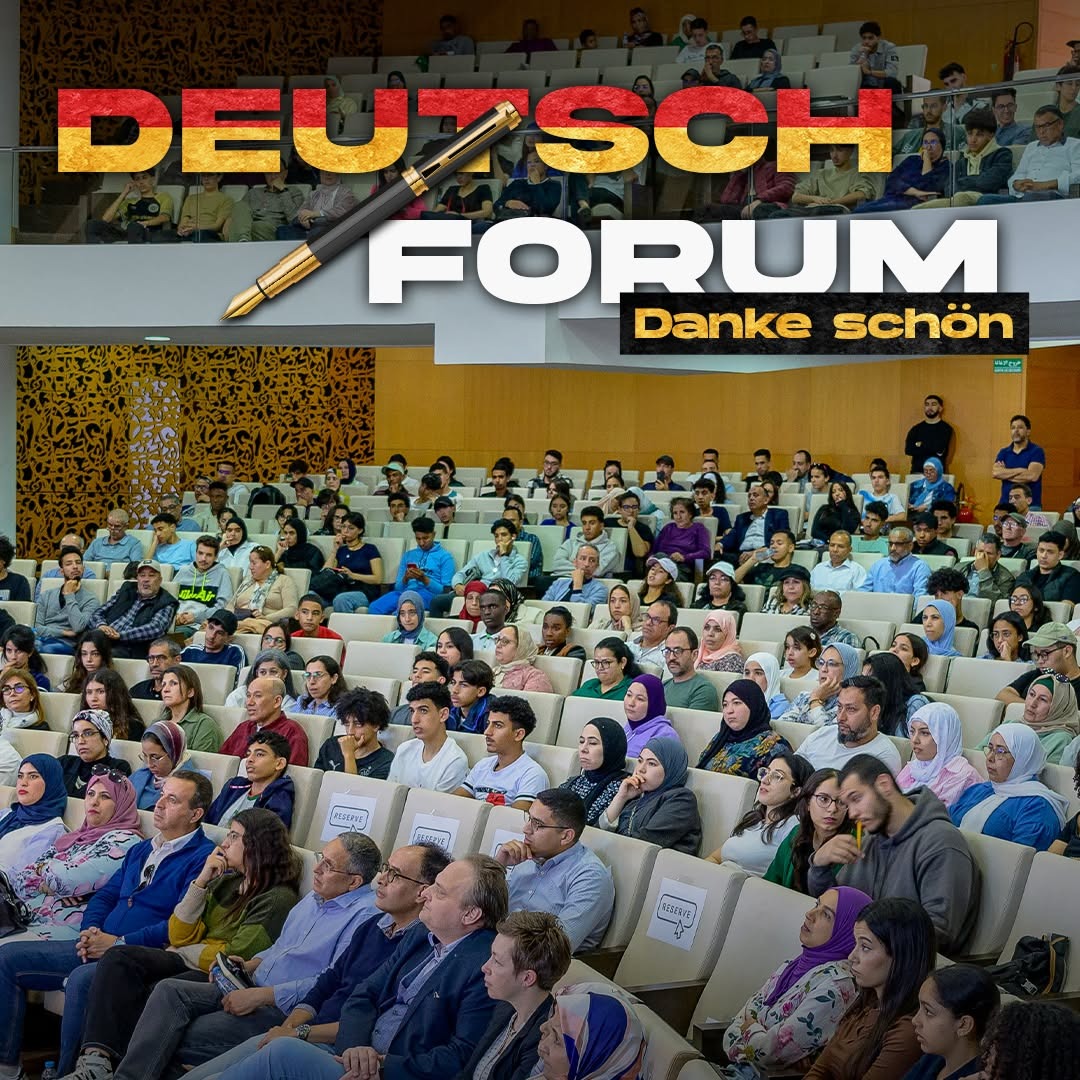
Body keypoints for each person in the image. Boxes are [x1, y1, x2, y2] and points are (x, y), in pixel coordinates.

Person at [105, 833, 382, 1080]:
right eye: (321, 858)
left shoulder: (365, 917)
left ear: (354, 882)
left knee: (173, 1033)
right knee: (168, 992)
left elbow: (328, 982)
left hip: (282, 1008)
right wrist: (249, 964)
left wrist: (261, 996)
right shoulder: (315, 897)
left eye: (328, 865)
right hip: (250, 984)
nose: (317, 868)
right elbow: (280, 948)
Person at [210, 854, 508, 1080]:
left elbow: (460, 1055)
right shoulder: (421, 934)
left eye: (440, 891)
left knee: (281, 1052)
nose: (426, 894)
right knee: (261, 1044)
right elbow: (364, 994)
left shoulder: (485, 963)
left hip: (388, 1071)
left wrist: (378, 1064)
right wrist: (355, 1047)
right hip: (353, 1052)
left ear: (470, 914)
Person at [0, 771, 216, 1076]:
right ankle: (7, 1069)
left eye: (172, 800)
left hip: (138, 957)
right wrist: (90, 930)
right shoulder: (142, 849)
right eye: (161, 795)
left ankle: (67, 1072)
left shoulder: (202, 858)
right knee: (6, 958)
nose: (159, 804)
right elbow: (107, 895)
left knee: (82, 979)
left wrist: (117, 943)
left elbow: (178, 924)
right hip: (98, 942)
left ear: (195, 814)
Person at [61, 808, 300, 1080]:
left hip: (214, 975)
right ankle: (95, 1065)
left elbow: (234, 957)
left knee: (151, 991)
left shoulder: (277, 898)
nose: (224, 843)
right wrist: (202, 880)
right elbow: (178, 933)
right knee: (118, 959)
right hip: (188, 957)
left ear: (257, 845)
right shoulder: (228, 881)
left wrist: (185, 950)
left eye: (234, 836)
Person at [809, 755, 979, 953]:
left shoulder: (942, 842)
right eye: (848, 804)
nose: (852, 813)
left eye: (856, 799)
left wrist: (867, 944)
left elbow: (939, 933)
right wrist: (819, 865)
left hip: (902, 964)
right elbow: (837, 908)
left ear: (884, 785)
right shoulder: (871, 839)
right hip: (857, 954)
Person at [722, 886, 872, 1073]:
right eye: (816, 904)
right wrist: (753, 1038)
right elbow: (737, 1024)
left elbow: (769, 1055)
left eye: (826, 915)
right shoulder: (793, 965)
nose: (810, 914)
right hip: (735, 1069)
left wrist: (749, 1030)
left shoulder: (836, 986)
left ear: (848, 932)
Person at [801, 898, 935, 1080]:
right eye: (855, 943)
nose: (851, 956)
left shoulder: (908, 1032)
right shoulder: (866, 1002)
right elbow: (819, 1070)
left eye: (865, 947)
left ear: (901, 957)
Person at [9, 771, 142, 937]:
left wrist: (45, 875)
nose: (94, 801)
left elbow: (65, 880)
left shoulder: (125, 840)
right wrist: (52, 882)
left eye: (105, 796)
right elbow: (20, 882)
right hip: (26, 917)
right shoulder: (75, 837)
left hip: (65, 930)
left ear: (122, 804)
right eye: (90, 794)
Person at [496, 789, 615, 952]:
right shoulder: (526, 855)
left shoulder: (590, 877)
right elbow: (484, 910)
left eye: (537, 824)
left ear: (566, 836)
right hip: (495, 941)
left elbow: (556, 947)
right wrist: (499, 866)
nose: (526, 829)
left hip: (526, 957)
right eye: (529, 818)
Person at [950, 723, 1066, 852]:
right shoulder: (982, 789)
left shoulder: (1037, 808)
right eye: (990, 748)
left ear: (1022, 758)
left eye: (1000, 751)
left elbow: (1020, 859)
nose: (990, 758)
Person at [706, 750, 811, 874]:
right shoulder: (754, 819)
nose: (765, 780)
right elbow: (715, 857)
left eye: (777, 776)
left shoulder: (793, 826)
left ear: (796, 791)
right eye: (766, 772)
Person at [599, 737, 702, 854]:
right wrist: (621, 797)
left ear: (670, 768)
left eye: (652, 763)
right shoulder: (637, 797)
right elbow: (599, 834)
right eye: (640, 761)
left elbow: (643, 844)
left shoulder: (681, 800)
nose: (640, 769)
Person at [905, 965, 1002, 1080]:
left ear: (964, 1025)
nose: (915, 1020)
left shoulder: (977, 1077)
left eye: (928, 1012)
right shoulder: (933, 1056)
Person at [453, 695, 549, 809]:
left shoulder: (532, 774)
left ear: (518, 734)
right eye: (488, 724)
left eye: (498, 725)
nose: (487, 732)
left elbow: (514, 818)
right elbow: (452, 802)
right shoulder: (482, 765)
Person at [796, 677, 906, 775]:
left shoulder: (883, 757)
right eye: (839, 707)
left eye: (851, 709)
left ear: (874, 712)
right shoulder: (822, 734)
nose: (840, 717)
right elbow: (792, 770)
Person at [764, 769, 851, 893]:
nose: (832, 809)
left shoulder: (854, 843)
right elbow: (770, 882)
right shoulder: (796, 833)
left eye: (841, 802)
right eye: (824, 799)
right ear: (808, 802)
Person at [896, 703, 983, 812]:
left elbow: (937, 815)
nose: (914, 740)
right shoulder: (914, 767)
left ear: (945, 736)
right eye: (912, 732)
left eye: (925, 733)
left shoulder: (962, 776)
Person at [698, 679, 792, 779]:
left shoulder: (774, 745)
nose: (729, 710)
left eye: (736, 703)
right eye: (725, 705)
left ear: (754, 705)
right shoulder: (721, 737)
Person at [87, 561, 179, 660]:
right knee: (83, 648)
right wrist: (101, 625)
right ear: (137, 578)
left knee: (99, 655)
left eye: (151, 576)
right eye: (142, 575)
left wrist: (120, 635)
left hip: (131, 647)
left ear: (160, 580)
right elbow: (98, 613)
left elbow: (156, 628)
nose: (146, 580)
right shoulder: (126, 589)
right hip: (103, 638)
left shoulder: (167, 601)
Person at [388, 681, 468, 791]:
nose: (414, 720)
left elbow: (437, 802)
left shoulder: (454, 761)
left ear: (443, 715)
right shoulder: (404, 749)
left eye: (423, 711)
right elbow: (390, 793)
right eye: (412, 711)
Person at [206, 730, 295, 828]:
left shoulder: (279, 800)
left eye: (259, 754)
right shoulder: (233, 786)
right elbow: (207, 823)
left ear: (279, 764)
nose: (249, 759)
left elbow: (265, 836)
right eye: (248, 754)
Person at [0, 754, 67, 871]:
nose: (23, 783)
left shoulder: (52, 831)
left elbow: (21, 876)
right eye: (20, 776)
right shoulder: (7, 814)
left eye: (33, 776)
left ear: (51, 782)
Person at [560, 718, 630, 828]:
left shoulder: (622, 789)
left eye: (592, 743)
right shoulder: (574, 782)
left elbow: (597, 831)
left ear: (611, 748)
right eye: (581, 741)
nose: (583, 749)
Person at [34, 545, 103, 654]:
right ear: (61, 571)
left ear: (83, 568)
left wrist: (69, 595)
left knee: (44, 649)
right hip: (41, 639)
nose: (75, 566)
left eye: (78, 563)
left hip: (66, 644)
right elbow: (38, 627)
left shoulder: (91, 599)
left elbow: (78, 627)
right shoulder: (46, 595)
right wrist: (64, 632)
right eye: (69, 564)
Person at [779, 643, 864, 728]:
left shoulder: (850, 707)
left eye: (831, 664)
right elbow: (780, 727)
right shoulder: (805, 697)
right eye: (821, 662)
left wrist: (815, 700)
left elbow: (826, 734)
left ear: (848, 669)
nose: (823, 669)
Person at [59, 710, 132, 797]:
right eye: (76, 735)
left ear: (105, 739)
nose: (80, 741)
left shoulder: (118, 768)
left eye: (88, 733)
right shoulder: (65, 763)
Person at [157, 664, 222, 752]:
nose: (165, 689)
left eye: (173, 683)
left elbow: (202, 760)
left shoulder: (204, 725)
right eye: (163, 684)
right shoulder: (158, 722)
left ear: (190, 692)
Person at [129, 721, 190, 810]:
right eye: (145, 756)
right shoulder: (138, 776)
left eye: (155, 757)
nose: (149, 765)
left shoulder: (190, 785)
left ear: (174, 754)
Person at [859, 528, 932, 596]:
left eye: (898, 544)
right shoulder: (878, 565)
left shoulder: (920, 567)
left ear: (910, 545)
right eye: (890, 544)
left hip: (905, 606)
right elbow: (863, 593)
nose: (892, 548)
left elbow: (920, 597)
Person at [622, 673, 678, 756]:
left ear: (653, 704)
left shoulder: (665, 735)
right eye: (629, 695)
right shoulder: (629, 727)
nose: (631, 703)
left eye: (640, 699)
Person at [81, 668, 143, 741]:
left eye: (101, 691)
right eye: (89, 692)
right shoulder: (81, 722)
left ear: (115, 694)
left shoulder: (132, 726)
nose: (93, 698)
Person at [488, 625, 553, 695]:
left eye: (505, 641)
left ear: (521, 647)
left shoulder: (535, 677)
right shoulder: (493, 672)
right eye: (497, 640)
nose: (498, 645)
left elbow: (530, 701)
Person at [1018, 531, 1080, 604]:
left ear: (1060, 555)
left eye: (1050, 552)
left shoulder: (1072, 576)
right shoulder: (1024, 577)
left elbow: (1066, 606)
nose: (1043, 556)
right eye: (1041, 550)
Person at [575, 638, 641, 701]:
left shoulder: (633, 688)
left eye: (606, 662)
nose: (600, 668)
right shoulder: (589, 685)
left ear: (622, 662)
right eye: (597, 662)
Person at [541, 544, 607, 607]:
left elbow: (581, 610)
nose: (586, 564)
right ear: (575, 562)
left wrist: (577, 586)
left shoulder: (600, 589)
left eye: (592, 560)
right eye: (583, 558)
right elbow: (544, 605)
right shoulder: (559, 583)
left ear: (597, 566)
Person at [629, 599, 677, 672]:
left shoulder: (669, 657)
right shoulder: (627, 646)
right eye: (647, 616)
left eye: (656, 620)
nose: (648, 623)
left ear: (670, 628)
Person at [447, 660, 493, 734]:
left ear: (481, 691)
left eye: (463, 685)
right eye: (453, 683)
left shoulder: (491, 714)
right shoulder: (446, 706)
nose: (454, 690)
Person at [0, 665, 45, 733]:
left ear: (32, 694)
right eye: (6, 689)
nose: (12, 693)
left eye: (19, 688)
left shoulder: (41, 729)